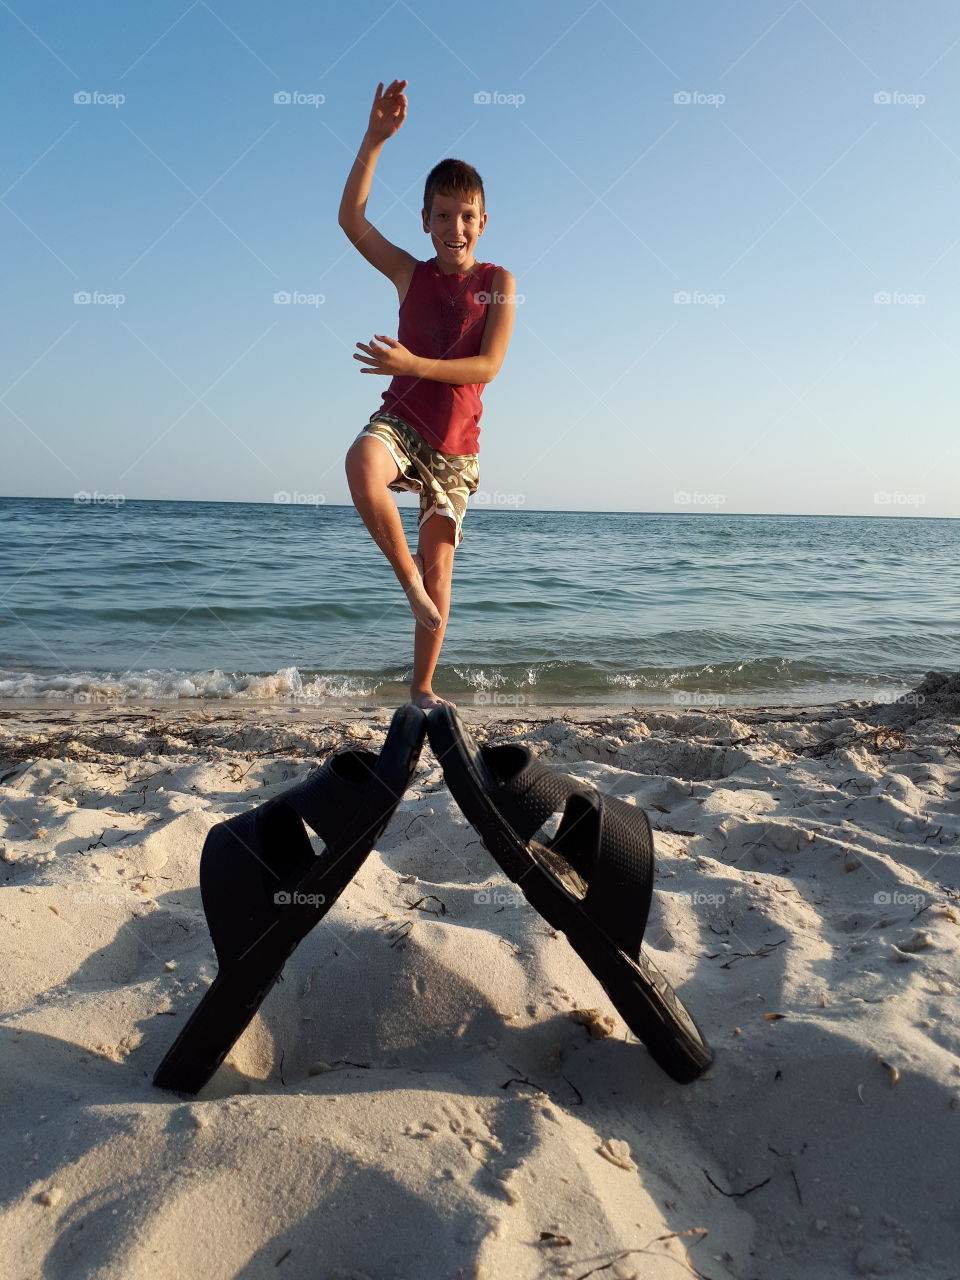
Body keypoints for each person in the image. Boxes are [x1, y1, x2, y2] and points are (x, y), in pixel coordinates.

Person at [340, 79, 517, 710]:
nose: (455, 226)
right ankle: (407, 580)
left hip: (455, 446)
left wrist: (413, 360)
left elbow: (488, 366)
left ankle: (420, 689)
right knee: (361, 466)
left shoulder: (499, 281)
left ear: (482, 222)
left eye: (467, 215)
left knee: (442, 567)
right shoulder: (407, 272)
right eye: (443, 215)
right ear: (426, 221)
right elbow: (351, 220)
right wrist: (375, 139)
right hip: (404, 420)